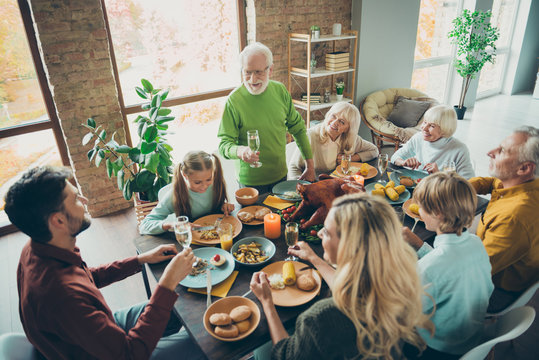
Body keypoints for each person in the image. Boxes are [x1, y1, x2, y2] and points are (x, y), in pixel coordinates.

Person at [5, 166, 204, 359]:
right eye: (76, 199)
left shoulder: (37, 248)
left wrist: (140, 260)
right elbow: (130, 354)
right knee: (203, 340)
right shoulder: (62, 297)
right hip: (118, 352)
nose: (84, 199)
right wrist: (166, 284)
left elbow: (85, 277)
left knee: (179, 310)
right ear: (58, 221)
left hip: (95, 333)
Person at [250, 193, 432, 360]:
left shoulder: (319, 318)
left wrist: (267, 301)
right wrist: (314, 259)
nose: (320, 233)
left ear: (349, 247)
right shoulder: (398, 283)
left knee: (260, 350)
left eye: (327, 232)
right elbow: (350, 290)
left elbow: (284, 355)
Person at [402, 172, 494, 359]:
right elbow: (447, 265)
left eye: (421, 206)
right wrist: (419, 245)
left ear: (437, 213)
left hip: (437, 348)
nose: (418, 209)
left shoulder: (429, 268)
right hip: (470, 336)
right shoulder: (476, 242)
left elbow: (406, 314)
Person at [218, 42, 315, 193]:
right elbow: (224, 145)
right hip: (249, 182)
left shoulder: (280, 91)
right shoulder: (233, 101)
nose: (252, 79)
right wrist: (240, 151)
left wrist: (310, 165)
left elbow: (298, 128)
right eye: (247, 72)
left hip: (280, 176)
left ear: (270, 70)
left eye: (258, 72)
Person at [469, 126, 539, 310]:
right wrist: (462, 186)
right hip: (489, 261)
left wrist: (422, 248)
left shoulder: (514, 217)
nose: (490, 152)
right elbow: (494, 182)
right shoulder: (525, 183)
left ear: (524, 168)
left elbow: (470, 272)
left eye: (502, 151)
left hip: (494, 291)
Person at [139, 150, 234, 235]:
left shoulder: (216, 184)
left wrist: (223, 206)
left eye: (208, 179)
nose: (204, 186)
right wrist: (171, 224)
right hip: (192, 241)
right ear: (185, 175)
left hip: (220, 235)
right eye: (197, 182)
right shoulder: (175, 195)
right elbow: (144, 225)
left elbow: (213, 206)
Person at [287, 101, 379, 179]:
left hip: (335, 183)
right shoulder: (311, 135)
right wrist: (298, 188)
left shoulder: (351, 139)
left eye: (342, 122)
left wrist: (352, 158)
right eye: (333, 116)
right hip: (313, 183)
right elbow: (294, 167)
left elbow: (374, 150)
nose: (335, 123)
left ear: (348, 129)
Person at [391, 104, 475, 179]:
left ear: (444, 129)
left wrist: (439, 175)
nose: (424, 128)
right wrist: (403, 162)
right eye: (425, 122)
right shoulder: (418, 138)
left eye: (432, 126)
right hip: (418, 186)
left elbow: (469, 184)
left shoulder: (459, 149)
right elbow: (395, 157)